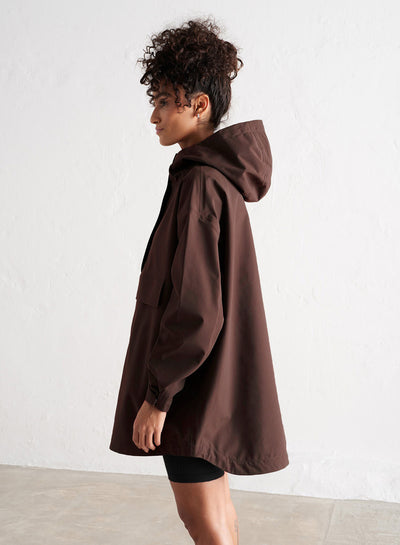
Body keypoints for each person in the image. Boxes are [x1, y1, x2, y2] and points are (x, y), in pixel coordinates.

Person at [109, 17, 289, 545]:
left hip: (190, 389)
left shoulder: (201, 185)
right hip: (207, 381)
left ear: (200, 105)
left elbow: (196, 308)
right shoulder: (213, 179)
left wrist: (158, 397)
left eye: (166, 101)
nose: (154, 115)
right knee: (219, 514)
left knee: (203, 520)